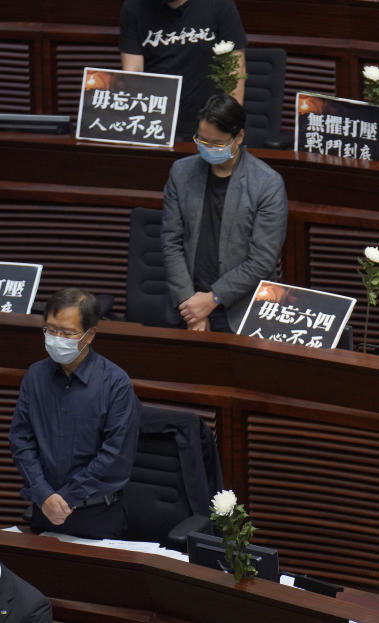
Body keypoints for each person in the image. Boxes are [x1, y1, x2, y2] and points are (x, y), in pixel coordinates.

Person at [8, 288, 141, 539]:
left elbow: (114, 454)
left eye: (67, 333)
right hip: (44, 509)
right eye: (50, 329)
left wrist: (67, 497)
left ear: (89, 336)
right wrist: (44, 494)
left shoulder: (115, 383)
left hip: (97, 516)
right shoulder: (35, 376)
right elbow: (20, 440)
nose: (57, 338)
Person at [161, 93, 288, 333]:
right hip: (186, 304)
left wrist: (212, 299)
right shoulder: (181, 172)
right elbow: (171, 241)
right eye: (202, 140)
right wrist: (191, 308)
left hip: (240, 311)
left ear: (239, 136)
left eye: (217, 144)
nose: (208, 149)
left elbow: (262, 260)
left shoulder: (267, 184)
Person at [119, 0, 248, 141]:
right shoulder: (135, 6)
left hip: (209, 123)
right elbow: (132, 73)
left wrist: (231, 123)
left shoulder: (219, 4)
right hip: (155, 120)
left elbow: (235, 70)